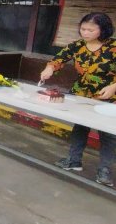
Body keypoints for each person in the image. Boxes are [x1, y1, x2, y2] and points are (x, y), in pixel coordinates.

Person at [41, 12, 116, 187]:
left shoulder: (113, 47)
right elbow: (58, 59)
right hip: (81, 94)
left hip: (108, 96)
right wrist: (50, 68)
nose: (85, 33)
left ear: (103, 30)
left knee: (108, 134)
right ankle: (74, 161)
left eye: (91, 30)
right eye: (83, 29)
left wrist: (114, 86)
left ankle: (104, 170)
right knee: (80, 127)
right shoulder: (77, 46)